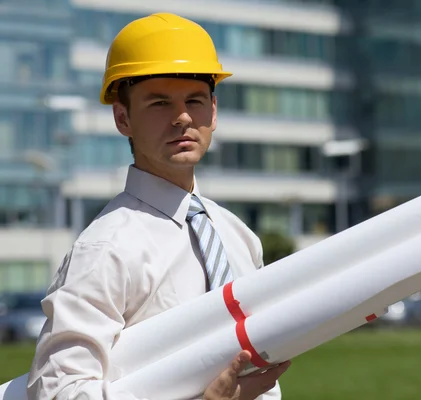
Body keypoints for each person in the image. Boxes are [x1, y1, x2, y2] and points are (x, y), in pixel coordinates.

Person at [26, 12, 291, 400]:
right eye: (160, 103)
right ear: (122, 118)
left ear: (213, 112)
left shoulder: (237, 235)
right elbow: (59, 391)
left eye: (195, 101)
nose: (182, 117)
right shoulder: (105, 249)